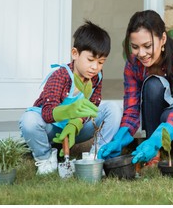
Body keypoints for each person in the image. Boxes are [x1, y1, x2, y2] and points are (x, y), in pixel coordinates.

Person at [98, 10, 173, 166]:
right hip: (164, 118)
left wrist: (154, 141)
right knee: (152, 85)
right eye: (135, 46)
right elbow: (132, 110)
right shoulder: (133, 65)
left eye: (147, 46)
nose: (141, 53)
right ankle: (154, 154)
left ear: (163, 39)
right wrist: (119, 140)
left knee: (168, 115)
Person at [19, 20, 121, 175]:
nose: (95, 67)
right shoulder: (60, 76)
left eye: (101, 62)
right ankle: (46, 158)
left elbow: (93, 104)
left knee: (113, 109)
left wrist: (75, 124)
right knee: (29, 120)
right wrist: (70, 111)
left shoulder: (96, 76)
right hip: (52, 129)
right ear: (75, 54)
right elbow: (47, 113)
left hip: (76, 130)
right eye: (90, 60)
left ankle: (97, 155)